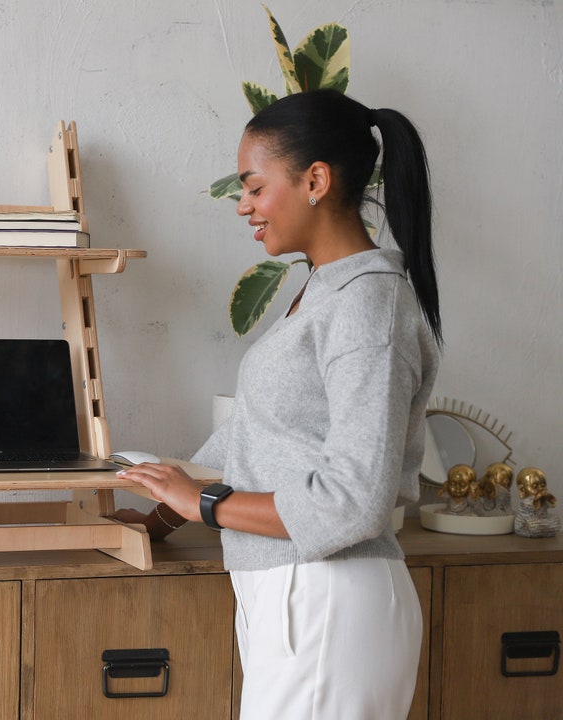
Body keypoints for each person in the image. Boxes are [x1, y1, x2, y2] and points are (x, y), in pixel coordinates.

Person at [114, 88, 441, 720]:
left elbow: (355, 499)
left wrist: (202, 502)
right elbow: (258, 435)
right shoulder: (323, 293)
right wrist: (160, 519)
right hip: (295, 596)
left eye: (255, 187)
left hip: (327, 600)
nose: (243, 206)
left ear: (315, 180)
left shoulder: (366, 305)